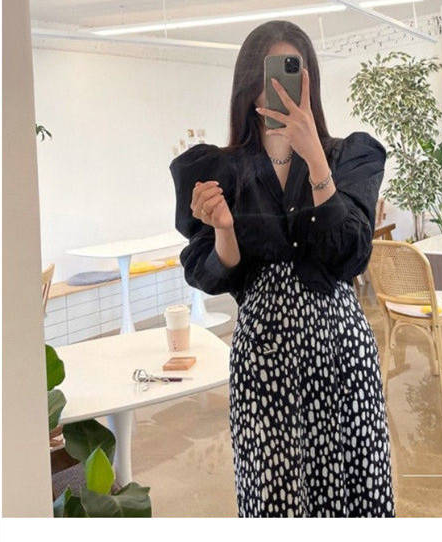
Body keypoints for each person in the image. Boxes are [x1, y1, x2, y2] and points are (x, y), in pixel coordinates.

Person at [170, 19, 395, 518]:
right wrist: (224, 229)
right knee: (274, 497)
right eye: (268, 75)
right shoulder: (218, 169)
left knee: (354, 490)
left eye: (291, 73)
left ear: (310, 81)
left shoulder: (349, 157)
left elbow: (352, 254)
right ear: (249, 84)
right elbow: (212, 274)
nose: (279, 88)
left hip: (340, 355)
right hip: (263, 360)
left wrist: (315, 159)